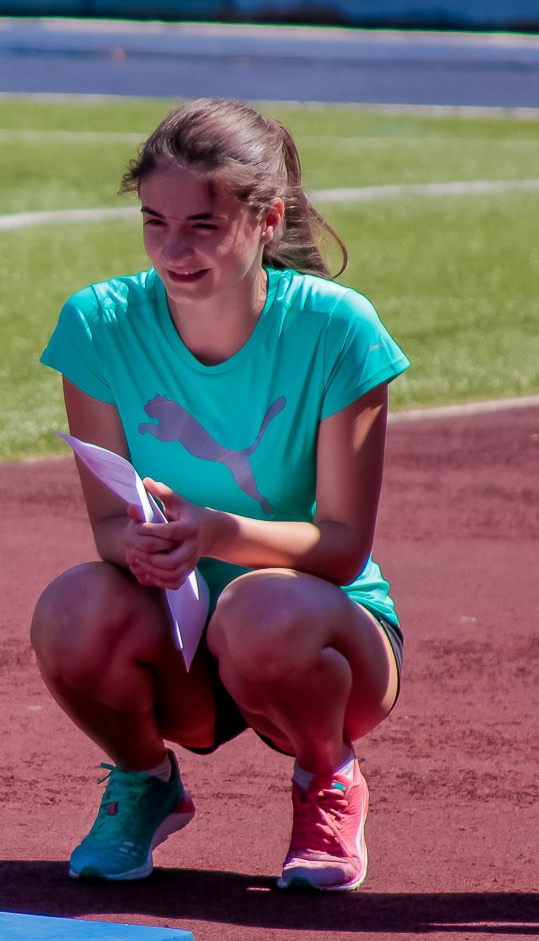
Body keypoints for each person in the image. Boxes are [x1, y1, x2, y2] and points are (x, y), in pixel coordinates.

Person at [30, 97, 408, 893]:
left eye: (203, 225)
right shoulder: (97, 326)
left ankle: (326, 774)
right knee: (68, 610)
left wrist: (212, 533)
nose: (174, 248)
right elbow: (107, 520)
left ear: (268, 220)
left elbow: (341, 547)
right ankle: (144, 781)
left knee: (258, 610)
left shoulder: (339, 331)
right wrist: (134, 545)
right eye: (153, 221)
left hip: (321, 634)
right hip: (179, 633)